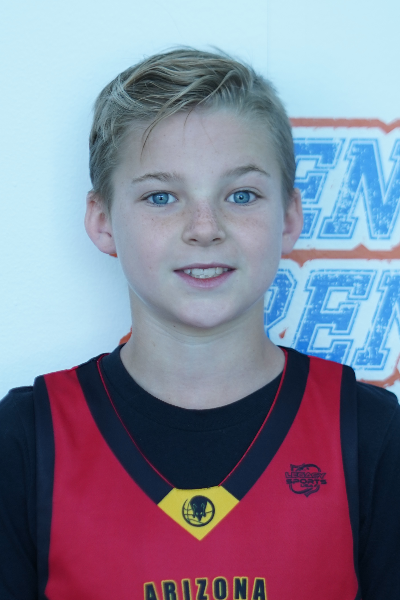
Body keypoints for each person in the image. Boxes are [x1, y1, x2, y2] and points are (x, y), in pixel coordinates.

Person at [1, 47, 399, 600]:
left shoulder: (369, 431)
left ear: (288, 217)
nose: (205, 228)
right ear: (102, 220)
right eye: (161, 197)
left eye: (242, 195)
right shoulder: (27, 437)